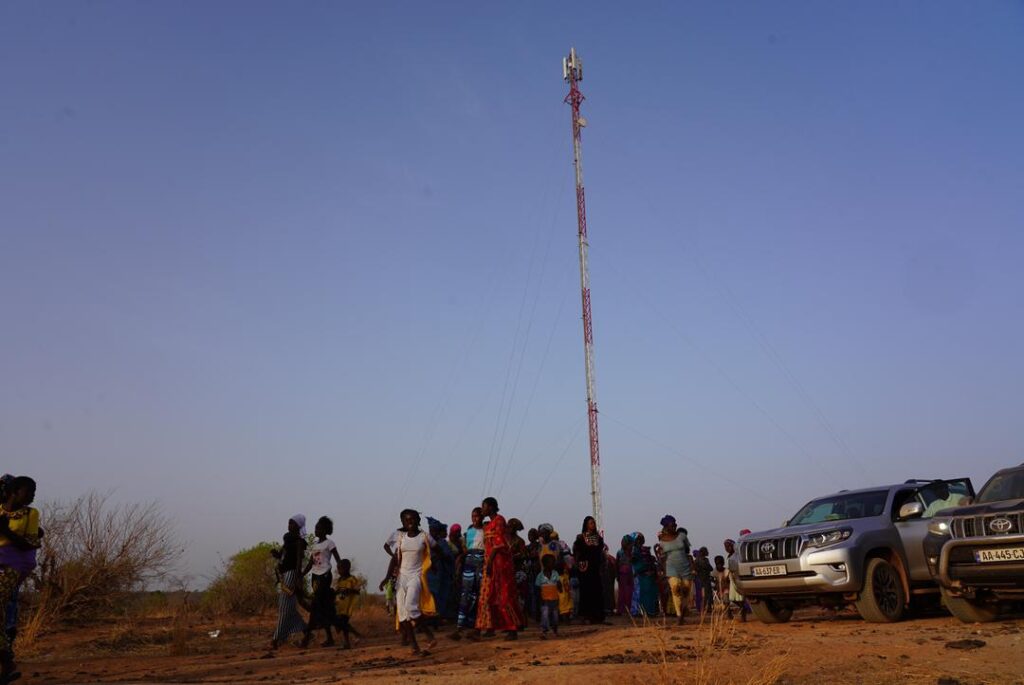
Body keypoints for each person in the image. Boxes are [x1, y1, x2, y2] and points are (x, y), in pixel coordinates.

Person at [0, 476, 40, 682]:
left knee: (7, 615)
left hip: (13, 567)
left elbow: (31, 543)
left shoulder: (30, 514)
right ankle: (6, 662)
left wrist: (5, 530)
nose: (32, 496)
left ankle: (6, 660)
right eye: (28, 492)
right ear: (14, 491)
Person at [475, 497, 524, 640]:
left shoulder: (500, 521)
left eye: (483, 507)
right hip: (490, 563)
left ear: (490, 507)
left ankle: (512, 628)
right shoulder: (489, 524)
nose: (482, 509)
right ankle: (490, 626)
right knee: (488, 595)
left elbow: (500, 544)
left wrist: (490, 562)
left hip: (500, 564)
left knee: (504, 595)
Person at [391, 509, 437, 656]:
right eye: (406, 520)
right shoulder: (401, 537)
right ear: (403, 522)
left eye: (412, 519)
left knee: (412, 607)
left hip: (415, 576)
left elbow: (437, 549)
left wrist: (434, 564)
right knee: (403, 613)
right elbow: (395, 558)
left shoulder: (424, 536)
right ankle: (414, 646)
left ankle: (429, 635)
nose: (409, 522)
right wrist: (387, 577)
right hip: (401, 577)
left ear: (418, 520)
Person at [302, 516, 343, 647]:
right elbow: (310, 563)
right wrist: (301, 574)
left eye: (318, 528)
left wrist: (343, 574)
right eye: (315, 528)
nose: (316, 530)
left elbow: (338, 559)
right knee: (321, 607)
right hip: (315, 577)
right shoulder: (314, 546)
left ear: (325, 530)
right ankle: (331, 635)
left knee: (315, 606)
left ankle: (306, 639)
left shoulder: (329, 543)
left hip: (325, 575)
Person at [269, 515, 308, 649]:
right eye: (288, 523)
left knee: (284, 607)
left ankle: (277, 638)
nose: (289, 525)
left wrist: (298, 578)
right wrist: (276, 554)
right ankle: (306, 631)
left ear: (298, 526)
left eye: (292, 523)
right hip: (284, 575)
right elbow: (282, 555)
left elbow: (298, 561)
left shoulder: (298, 541)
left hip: (291, 574)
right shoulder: (288, 540)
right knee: (287, 606)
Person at [451, 508, 485, 640]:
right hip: (469, 563)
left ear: (482, 517)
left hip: (482, 562)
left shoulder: (486, 531)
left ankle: (477, 628)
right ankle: (460, 627)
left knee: (479, 595)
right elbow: (466, 549)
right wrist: (460, 559)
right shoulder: (469, 532)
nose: (474, 518)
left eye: (477, 516)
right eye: (473, 516)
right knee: (465, 594)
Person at [657, 516, 693, 625]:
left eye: (675, 524)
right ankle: (679, 615)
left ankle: (683, 611)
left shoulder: (682, 536)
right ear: (666, 527)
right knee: (676, 588)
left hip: (685, 567)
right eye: (673, 524)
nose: (675, 526)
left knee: (686, 590)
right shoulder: (662, 541)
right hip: (671, 568)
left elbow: (687, 551)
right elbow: (662, 557)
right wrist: (664, 570)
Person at [572, 516, 605, 625]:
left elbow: (600, 553)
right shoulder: (580, 538)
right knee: (586, 592)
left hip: (595, 568)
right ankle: (586, 616)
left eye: (594, 523)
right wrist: (578, 564)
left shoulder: (599, 538)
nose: (593, 525)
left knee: (597, 591)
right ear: (586, 524)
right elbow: (576, 552)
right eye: (591, 523)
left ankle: (597, 616)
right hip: (585, 569)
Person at [425, 517, 454, 628]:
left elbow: (448, 557)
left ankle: (436, 620)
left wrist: (438, 556)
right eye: (430, 530)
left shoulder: (442, 543)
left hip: (440, 575)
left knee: (439, 597)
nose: (432, 533)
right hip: (428, 575)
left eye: (434, 530)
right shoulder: (426, 543)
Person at [333, 558, 364, 648]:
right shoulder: (339, 580)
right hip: (340, 605)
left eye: (341, 569)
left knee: (343, 623)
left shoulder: (352, 579)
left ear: (347, 569)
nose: (339, 571)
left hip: (348, 606)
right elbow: (338, 590)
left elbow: (357, 591)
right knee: (343, 625)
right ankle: (348, 642)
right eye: (338, 569)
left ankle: (355, 635)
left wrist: (349, 590)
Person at [506, 518, 529, 629]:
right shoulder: (505, 540)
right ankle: (511, 623)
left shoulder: (520, 541)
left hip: (518, 572)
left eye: (511, 527)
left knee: (520, 600)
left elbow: (524, 555)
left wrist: (513, 556)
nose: (509, 528)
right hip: (508, 572)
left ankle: (520, 623)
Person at [632, 532, 659, 617]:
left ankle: (651, 612)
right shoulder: (634, 550)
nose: (639, 541)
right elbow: (634, 562)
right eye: (638, 539)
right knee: (642, 593)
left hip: (649, 575)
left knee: (651, 593)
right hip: (640, 575)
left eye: (641, 539)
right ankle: (642, 612)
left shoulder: (644, 550)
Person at [534, 553, 562, 638]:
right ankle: (544, 632)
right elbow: (537, 588)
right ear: (545, 564)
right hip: (545, 600)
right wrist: (539, 599)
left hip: (554, 599)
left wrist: (560, 587)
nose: (553, 564)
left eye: (554, 562)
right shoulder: (540, 575)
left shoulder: (555, 573)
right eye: (551, 562)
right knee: (545, 616)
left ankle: (555, 630)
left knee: (555, 616)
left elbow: (558, 583)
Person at [724, 539, 748, 622]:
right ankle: (743, 610)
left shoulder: (736, 555)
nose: (727, 548)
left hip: (736, 577)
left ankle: (743, 614)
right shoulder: (729, 556)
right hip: (731, 579)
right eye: (726, 547)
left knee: (739, 598)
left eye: (728, 546)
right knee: (733, 598)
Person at [444, 523, 465, 621]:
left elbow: (465, 552)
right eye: (456, 532)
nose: (458, 534)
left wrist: (460, 558)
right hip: (450, 570)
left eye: (458, 532)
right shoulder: (448, 544)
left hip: (461, 569)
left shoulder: (461, 542)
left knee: (460, 592)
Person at [615, 535, 635, 615]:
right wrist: (617, 575)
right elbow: (616, 564)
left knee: (628, 592)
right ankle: (621, 610)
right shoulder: (620, 552)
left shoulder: (631, 552)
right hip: (622, 574)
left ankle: (627, 610)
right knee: (623, 593)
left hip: (628, 574)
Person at [695, 547, 714, 615]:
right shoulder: (703, 560)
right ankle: (706, 608)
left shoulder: (698, 560)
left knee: (706, 594)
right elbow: (710, 568)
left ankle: (707, 608)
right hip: (703, 579)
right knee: (706, 595)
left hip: (703, 578)